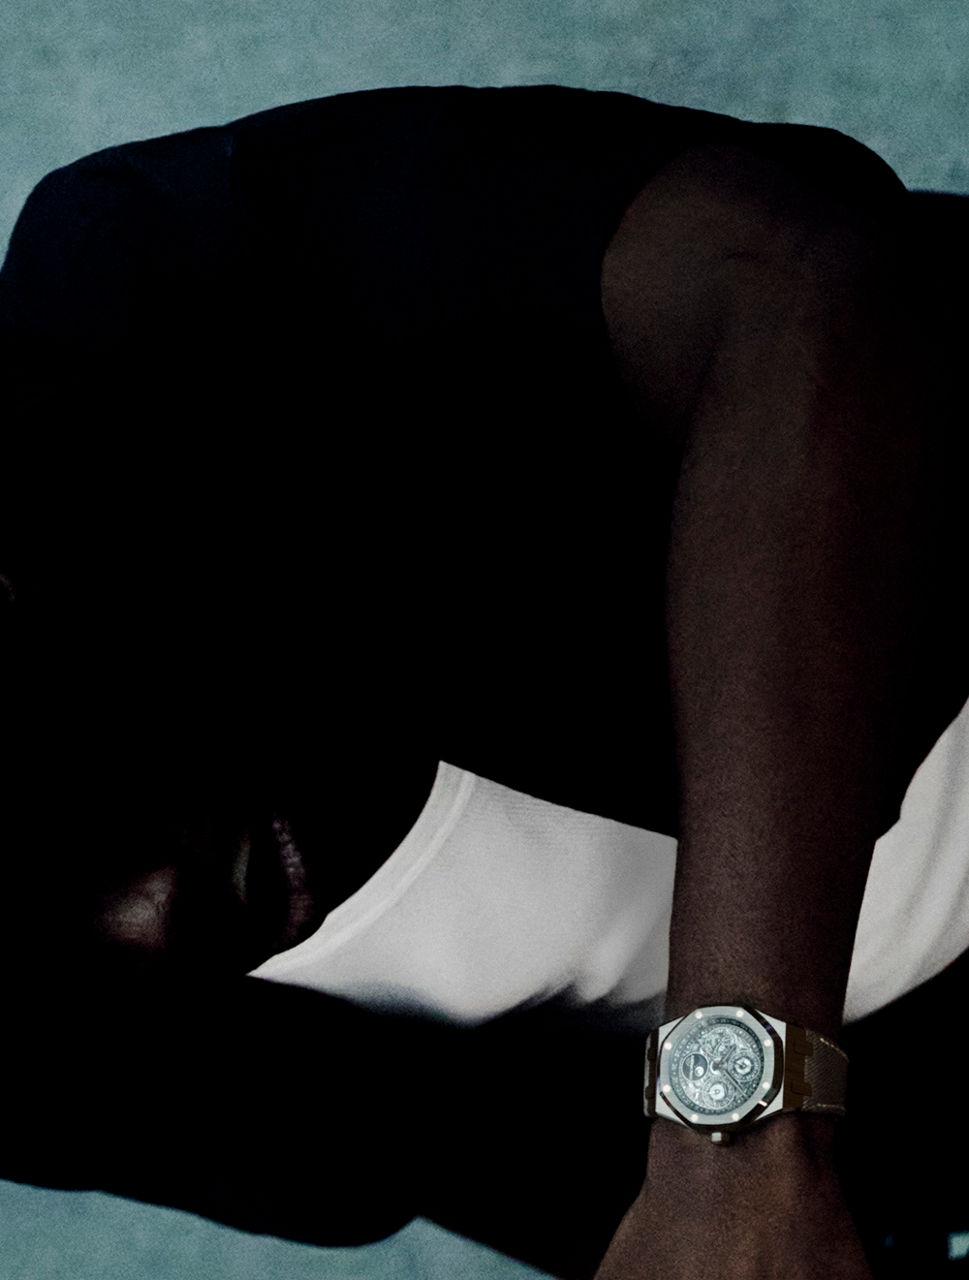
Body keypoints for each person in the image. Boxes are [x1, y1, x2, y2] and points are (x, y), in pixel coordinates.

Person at [2, 83, 968, 1279]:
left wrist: (735, 1133)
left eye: (48, 814)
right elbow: (470, 1154)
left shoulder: (146, 293)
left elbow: (793, 282)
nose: (154, 918)